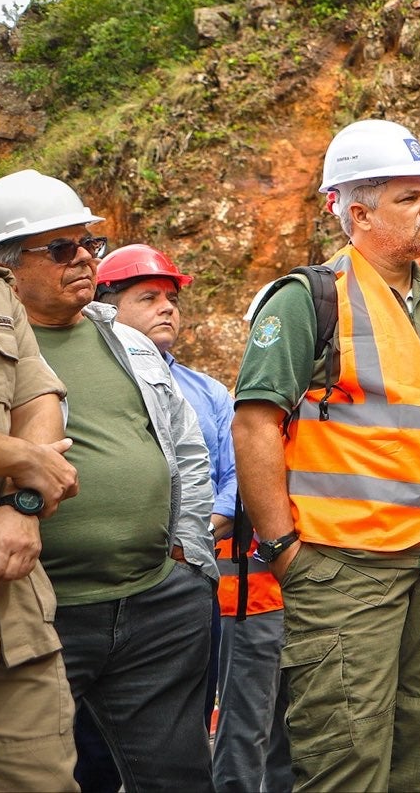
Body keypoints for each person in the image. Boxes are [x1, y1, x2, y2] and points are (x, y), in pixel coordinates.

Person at [231, 119, 420, 793]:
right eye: (410, 197)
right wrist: (284, 549)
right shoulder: (308, 299)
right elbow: (255, 424)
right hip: (345, 568)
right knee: (345, 758)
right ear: (358, 213)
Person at [0, 171, 218, 793]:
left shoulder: (128, 343)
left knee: (180, 778)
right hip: (43, 613)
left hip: (156, 604)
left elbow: (187, 449)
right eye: (62, 249)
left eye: (90, 242)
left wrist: (187, 561)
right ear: (2, 270)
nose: (87, 258)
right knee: (51, 777)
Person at [93, 243, 289, 793]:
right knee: (95, 746)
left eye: (171, 299)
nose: (167, 308)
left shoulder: (207, 392)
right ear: (107, 304)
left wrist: (192, 538)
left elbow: (235, 479)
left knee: (185, 727)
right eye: (148, 296)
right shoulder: (88, 381)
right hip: (102, 583)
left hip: (190, 583)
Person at [0, 243, 82, 789]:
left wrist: (20, 505)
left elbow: (40, 398)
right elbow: (33, 449)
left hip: (9, 618)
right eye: (64, 246)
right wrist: (20, 458)